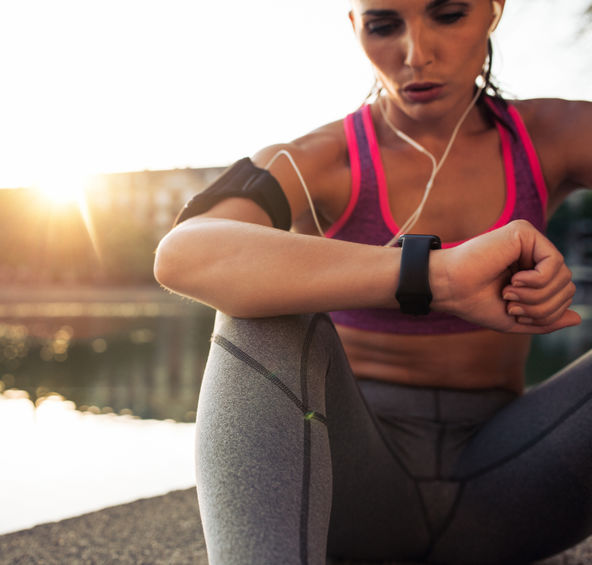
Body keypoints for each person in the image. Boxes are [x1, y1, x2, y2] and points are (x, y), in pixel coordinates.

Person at [153, 0, 592, 563]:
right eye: (384, 25)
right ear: (356, 27)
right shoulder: (319, 159)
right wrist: (438, 277)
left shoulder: (552, 134)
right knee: (259, 307)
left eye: (449, 14)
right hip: (353, 493)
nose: (417, 54)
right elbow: (184, 252)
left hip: (515, 484)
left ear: (494, 10)